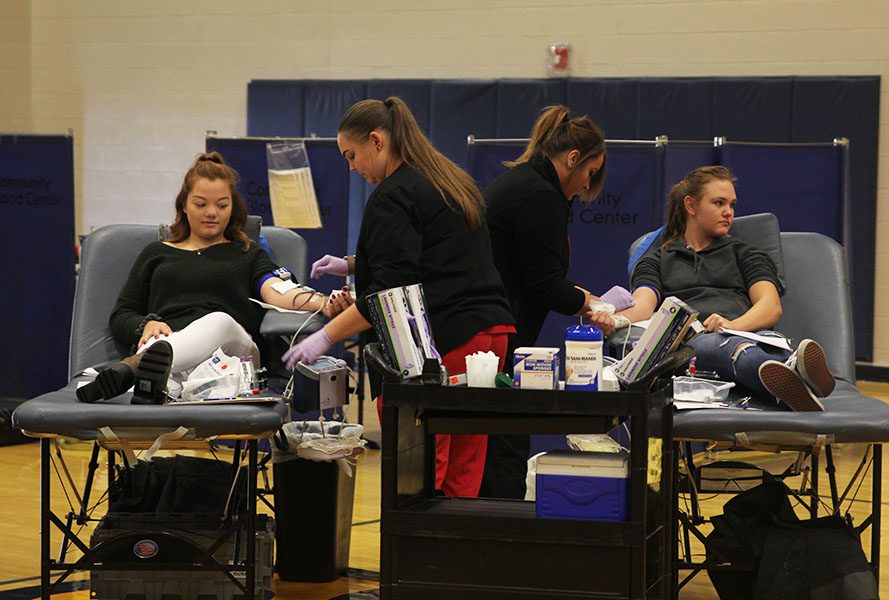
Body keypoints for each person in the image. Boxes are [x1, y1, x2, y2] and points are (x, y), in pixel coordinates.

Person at [284, 96, 516, 498]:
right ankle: (453, 556)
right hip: (489, 335)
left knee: (423, 467)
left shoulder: (393, 194)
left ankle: (417, 558)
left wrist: (325, 336)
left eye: (351, 155)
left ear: (376, 140)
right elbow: (434, 254)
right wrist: (355, 264)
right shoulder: (447, 178)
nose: (351, 167)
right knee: (464, 467)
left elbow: (390, 298)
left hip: (445, 340)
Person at [77, 152, 351, 404]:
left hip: (232, 353)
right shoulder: (156, 254)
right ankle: (155, 383)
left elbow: (278, 292)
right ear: (184, 204)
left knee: (217, 321)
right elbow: (122, 314)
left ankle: (132, 369)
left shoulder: (247, 253)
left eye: (222, 205)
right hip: (171, 351)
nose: (211, 213)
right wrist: (145, 325)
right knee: (164, 371)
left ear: (233, 208)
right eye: (201, 204)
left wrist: (324, 303)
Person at [593, 165, 835, 411]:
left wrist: (732, 326)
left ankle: (792, 375)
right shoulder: (656, 259)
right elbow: (644, 305)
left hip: (752, 334)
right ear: (691, 206)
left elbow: (770, 306)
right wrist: (615, 321)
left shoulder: (746, 254)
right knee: (732, 348)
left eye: (731, 204)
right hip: (697, 341)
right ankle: (798, 374)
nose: (728, 212)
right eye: (719, 203)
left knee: (765, 343)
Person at [479, 105, 610, 499]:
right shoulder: (539, 196)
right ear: (573, 159)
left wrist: (583, 298)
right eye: (590, 172)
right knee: (505, 441)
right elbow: (544, 286)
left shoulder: (528, 184)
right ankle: (500, 532)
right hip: (495, 332)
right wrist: (589, 303)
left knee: (499, 440)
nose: (588, 185)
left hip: (496, 326)